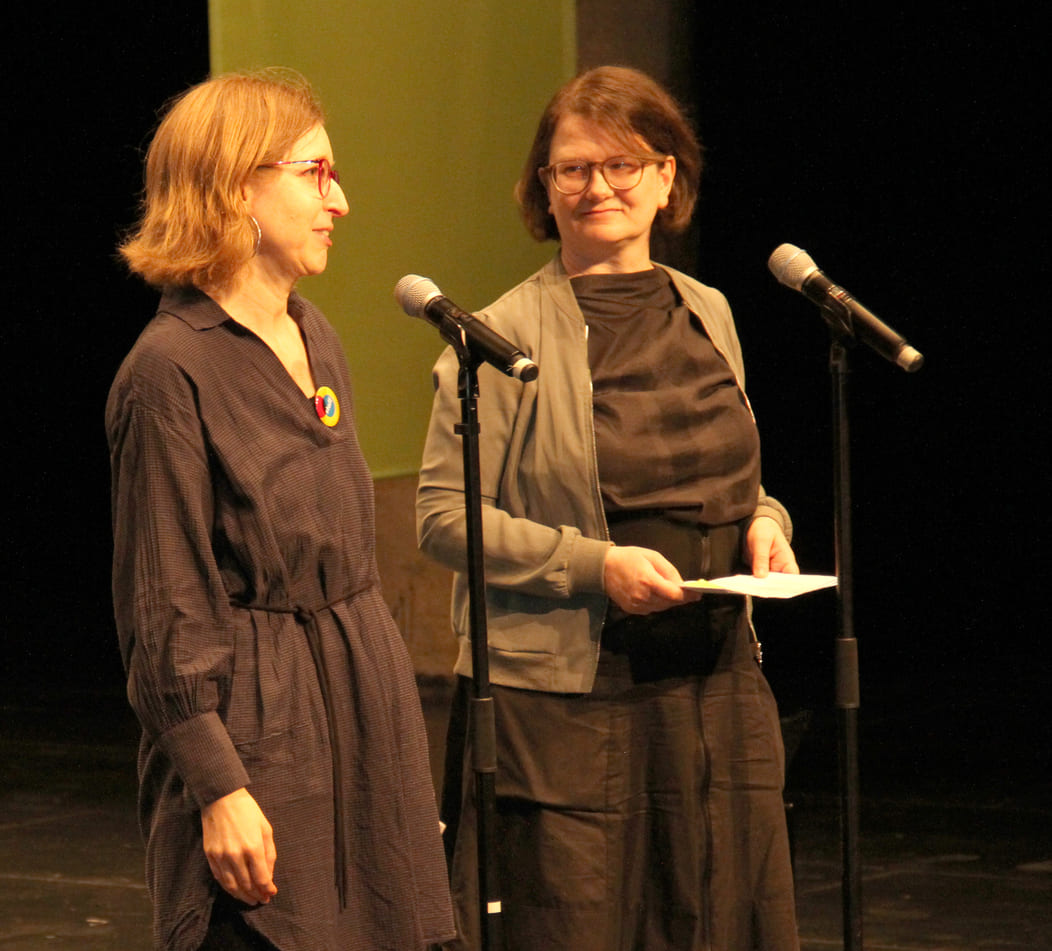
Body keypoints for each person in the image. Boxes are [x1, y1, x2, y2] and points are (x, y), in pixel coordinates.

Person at [417, 66, 801, 950]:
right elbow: (443, 517)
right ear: (542, 190)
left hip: (713, 683)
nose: (599, 187)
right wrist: (598, 567)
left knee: (719, 912)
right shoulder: (497, 339)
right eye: (573, 169)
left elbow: (739, 477)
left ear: (668, 179)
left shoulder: (709, 310)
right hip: (570, 703)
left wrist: (767, 522)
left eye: (625, 164)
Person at [107, 70, 454, 951]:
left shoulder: (315, 331)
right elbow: (165, 604)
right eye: (315, 173)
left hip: (362, 702)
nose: (339, 199)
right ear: (234, 185)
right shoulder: (168, 371)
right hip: (263, 729)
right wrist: (220, 786)